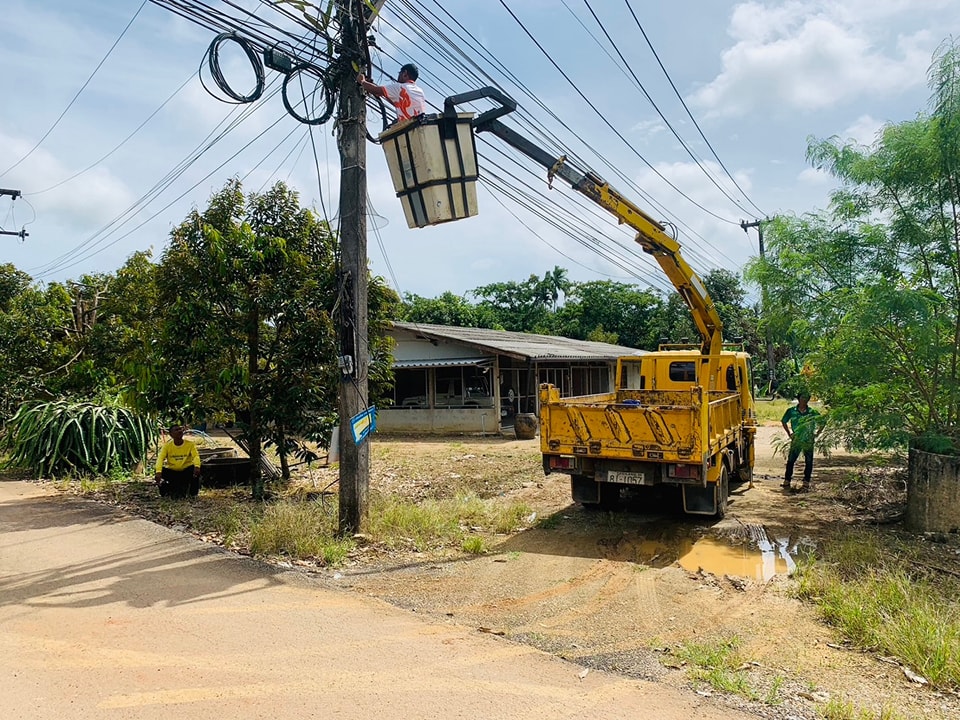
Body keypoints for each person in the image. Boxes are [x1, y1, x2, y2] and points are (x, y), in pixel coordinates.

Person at [357, 63, 426, 122]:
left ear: (404, 74)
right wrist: (380, 93)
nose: (398, 76)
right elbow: (398, 102)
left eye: (400, 73)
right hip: (419, 126)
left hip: (408, 128)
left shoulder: (400, 87)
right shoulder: (420, 91)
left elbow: (375, 90)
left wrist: (362, 81)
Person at [780, 393, 820, 491]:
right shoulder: (791, 411)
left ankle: (806, 481)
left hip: (808, 440)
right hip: (797, 439)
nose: (804, 399)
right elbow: (784, 421)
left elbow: (822, 421)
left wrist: (817, 433)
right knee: (791, 460)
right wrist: (789, 433)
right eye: (802, 397)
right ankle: (787, 480)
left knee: (809, 461)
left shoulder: (812, 412)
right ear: (798, 399)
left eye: (806, 398)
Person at [155, 424, 201, 498]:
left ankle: (193, 494)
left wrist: (197, 466)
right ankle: (165, 492)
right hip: (173, 472)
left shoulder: (190, 444)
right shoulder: (167, 446)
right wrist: (158, 471)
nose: (179, 431)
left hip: (186, 472)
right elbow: (160, 459)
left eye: (180, 429)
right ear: (171, 434)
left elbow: (195, 456)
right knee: (161, 473)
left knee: (195, 471)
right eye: (176, 430)